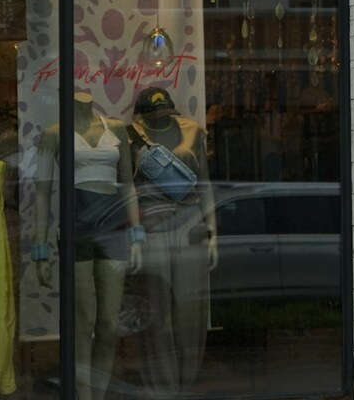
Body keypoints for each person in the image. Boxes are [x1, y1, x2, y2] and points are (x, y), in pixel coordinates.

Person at [32, 91, 143, 400]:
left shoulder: (116, 129)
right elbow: (42, 193)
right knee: (84, 322)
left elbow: (128, 184)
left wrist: (136, 233)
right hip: (76, 224)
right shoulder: (54, 134)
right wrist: (40, 249)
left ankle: (99, 393)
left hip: (113, 226)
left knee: (108, 324)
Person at [129, 86, 218, 397]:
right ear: (141, 115)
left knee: (190, 313)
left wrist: (213, 233)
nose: (158, 121)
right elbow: (126, 191)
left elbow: (205, 185)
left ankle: (186, 382)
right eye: (152, 116)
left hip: (190, 227)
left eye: (162, 115)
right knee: (156, 312)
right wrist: (135, 236)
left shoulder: (193, 133)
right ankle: (161, 387)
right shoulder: (130, 136)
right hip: (151, 228)